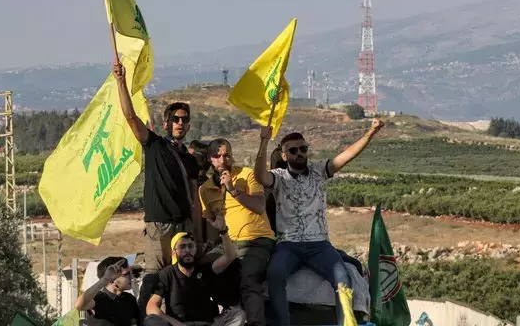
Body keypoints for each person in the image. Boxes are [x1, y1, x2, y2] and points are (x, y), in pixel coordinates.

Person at [254, 119, 385, 326]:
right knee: (275, 275)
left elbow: (347, 156)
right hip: (289, 245)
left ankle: (347, 323)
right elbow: (260, 176)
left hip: (319, 245)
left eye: (303, 149)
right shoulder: (279, 177)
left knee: (343, 278)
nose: (300, 153)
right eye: (294, 150)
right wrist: (263, 142)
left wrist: (371, 132)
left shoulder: (319, 171)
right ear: (284, 155)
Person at [113, 62, 201, 313]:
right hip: (159, 226)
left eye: (185, 119)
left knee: (181, 281)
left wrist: (196, 232)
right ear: (166, 124)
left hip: (183, 226)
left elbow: (195, 199)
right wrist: (121, 82)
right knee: (153, 279)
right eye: (175, 119)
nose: (180, 123)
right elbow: (130, 117)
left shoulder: (190, 160)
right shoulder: (154, 145)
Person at [199, 138, 275, 326]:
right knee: (202, 270)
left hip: (256, 240)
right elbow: (211, 220)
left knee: (248, 279)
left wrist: (233, 190)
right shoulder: (205, 189)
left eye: (227, 155)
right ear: (210, 159)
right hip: (229, 244)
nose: (222, 160)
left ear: (232, 157)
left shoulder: (247, 175)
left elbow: (259, 207)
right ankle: (231, 309)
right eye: (217, 156)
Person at [144, 217, 247, 326]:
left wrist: (223, 231)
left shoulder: (205, 269)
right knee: (151, 320)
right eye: (182, 247)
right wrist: (175, 323)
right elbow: (151, 307)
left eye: (190, 246)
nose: (187, 250)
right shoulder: (167, 274)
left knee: (238, 314)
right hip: (180, 324)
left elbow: (230, 257)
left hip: (208, 323)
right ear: (174, 253)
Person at [75, 257, 141, 326]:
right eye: (126, 274)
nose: (131, 277)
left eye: (130, 273)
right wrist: (105, 279)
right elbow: (79, 305)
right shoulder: (99, 299)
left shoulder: (129, 299)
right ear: (112, 279)